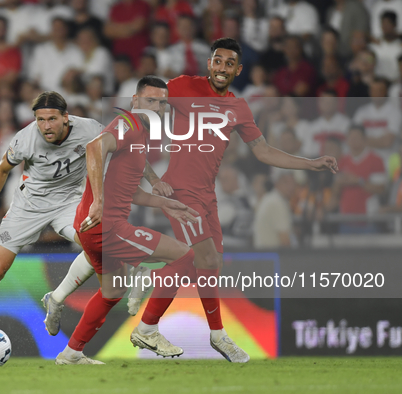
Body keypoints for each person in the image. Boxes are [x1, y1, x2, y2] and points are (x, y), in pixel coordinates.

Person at [157, 38, 338, 362]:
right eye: (218, 60)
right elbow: (147, 100)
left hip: (208, 193)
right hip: (180, 189)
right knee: (205, 259)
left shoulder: (238, 107)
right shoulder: (183, 86)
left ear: (238, 70)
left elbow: (264, 151)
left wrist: (309, 162)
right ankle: (209, 334)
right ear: (209, 63)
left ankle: (178, 327)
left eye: (229, 63)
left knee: (210, 264)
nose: (222, 67)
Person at [0, 91, 104, 364]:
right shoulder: (25, 138)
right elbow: (2, 169)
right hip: (28, 206)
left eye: (52, 119)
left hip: (69, 202)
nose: (46, 126)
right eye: (40, 119)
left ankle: (56, 298)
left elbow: (120, 148)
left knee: (97, 249)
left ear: (66, 118)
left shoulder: (90, 129)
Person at [55, 76, 199, 365]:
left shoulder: (139, 135)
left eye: (161, 103)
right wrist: (98, 200)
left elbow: (129, 192)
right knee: (185, 256)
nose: (156, 108)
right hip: (105, 227)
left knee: (112, 291)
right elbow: (94, 147)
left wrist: (165, 204)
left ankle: (71, 354)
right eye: (150, 101)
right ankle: (148, 328)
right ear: (135, 102)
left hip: (90, 227)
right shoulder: (129, 124)